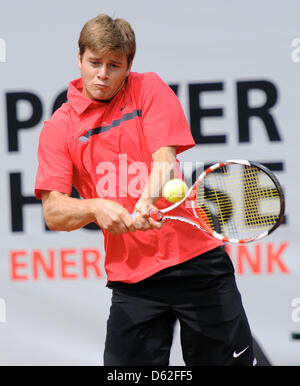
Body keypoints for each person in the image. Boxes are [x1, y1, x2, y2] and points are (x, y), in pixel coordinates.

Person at [35, 14, 255, 366]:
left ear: (128, 65)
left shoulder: (148, 87)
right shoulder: (59, 128)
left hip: (197, 263)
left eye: (113, 65)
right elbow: (54, 211)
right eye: (94, 63)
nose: (102, 74)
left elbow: (165, 159)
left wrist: (145, 202)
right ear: (79, 59)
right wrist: (96, 208)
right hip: (133, 279)